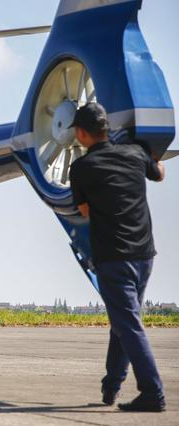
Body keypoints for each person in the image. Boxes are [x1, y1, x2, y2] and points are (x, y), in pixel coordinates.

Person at [69, 102, 166, 412]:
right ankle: (111, 387)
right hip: (145, 254)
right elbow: (160, 173)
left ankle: (153, 393)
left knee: (128, 324)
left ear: (82, 134)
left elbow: (83, 212)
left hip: (114, 257)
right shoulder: (135, 153)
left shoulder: (81, 168)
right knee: (122, 322)